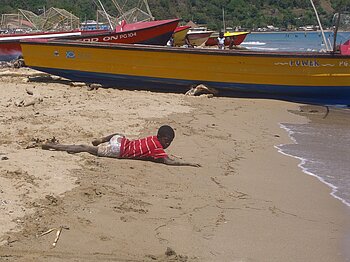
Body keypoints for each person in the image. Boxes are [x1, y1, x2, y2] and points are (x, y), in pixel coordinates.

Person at [42, 125, 200, 167]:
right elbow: (170, 162)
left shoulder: (152, 139)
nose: (168, 145)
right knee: (85, 148)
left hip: (121, 141)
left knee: (119, 134)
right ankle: (54, 146)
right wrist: (189, 163)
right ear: (162, 139)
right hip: (119, 150)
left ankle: (103, 138)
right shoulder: (157, 148)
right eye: (167, 141)